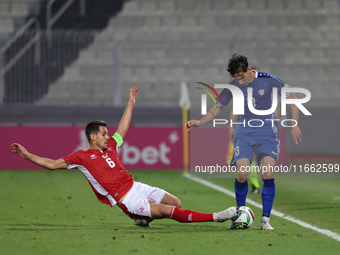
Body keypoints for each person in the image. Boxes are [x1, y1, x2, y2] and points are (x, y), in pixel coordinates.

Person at [11, 86, 238, 227]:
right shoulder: (81, 157)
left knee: (176, 203)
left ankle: (144, 218)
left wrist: (130, 104)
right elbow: (52, 164)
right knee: (169, 212)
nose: (107, 135)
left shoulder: (110, 145)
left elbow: (122, 129)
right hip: (127, 199)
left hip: (137, 185)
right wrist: (27, 155)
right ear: (92, 137)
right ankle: (216, 217)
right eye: (102, 133)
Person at [186, 54, 303, 230]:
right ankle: (241, 212)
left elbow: (293, 98)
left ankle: (265, 220)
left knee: (268, 174)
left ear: (249, 70)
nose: (239, 82)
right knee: (242, 174)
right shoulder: (233, 86)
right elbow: (217, 107)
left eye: (241, 78)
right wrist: (200, 122)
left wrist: (294, 124)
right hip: (244, 132)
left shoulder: (268, 79)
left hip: (267, 132)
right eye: (236, 79)